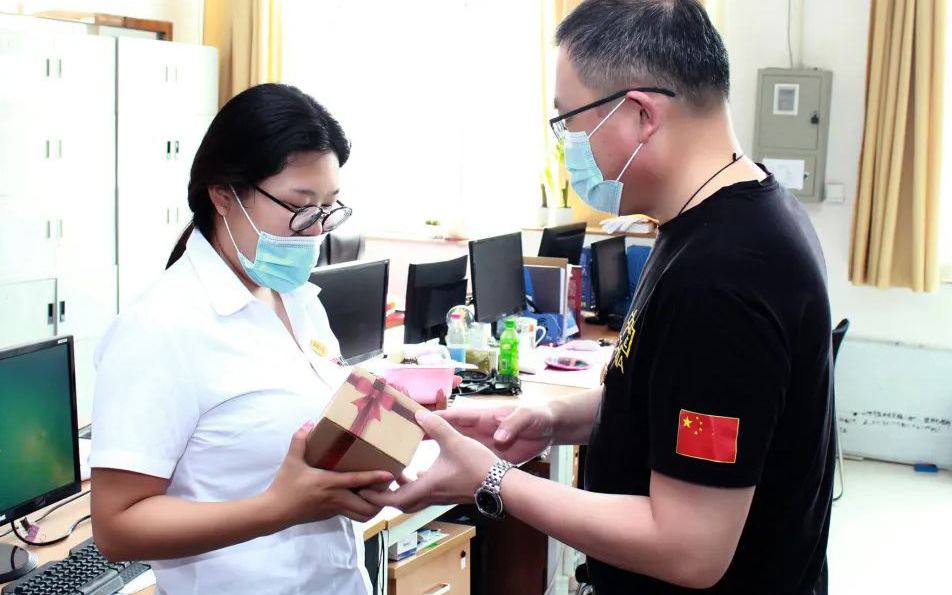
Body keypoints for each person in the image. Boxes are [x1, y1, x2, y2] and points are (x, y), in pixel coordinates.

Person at [363, 1, 834, 593]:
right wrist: (551, 420)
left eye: (569, 122)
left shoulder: (725, 274)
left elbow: (689, 548)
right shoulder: (729, 214)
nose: (567, 146)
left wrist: (493, 479)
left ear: (640, 114)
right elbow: (673, 398)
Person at [89, 83, 393, 595]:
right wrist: (277, 508)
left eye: (328, 208)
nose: (315, 230)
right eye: (299, 207)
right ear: (224, 195)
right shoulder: (160, 327)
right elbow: (117, 527)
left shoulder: (298, 299)